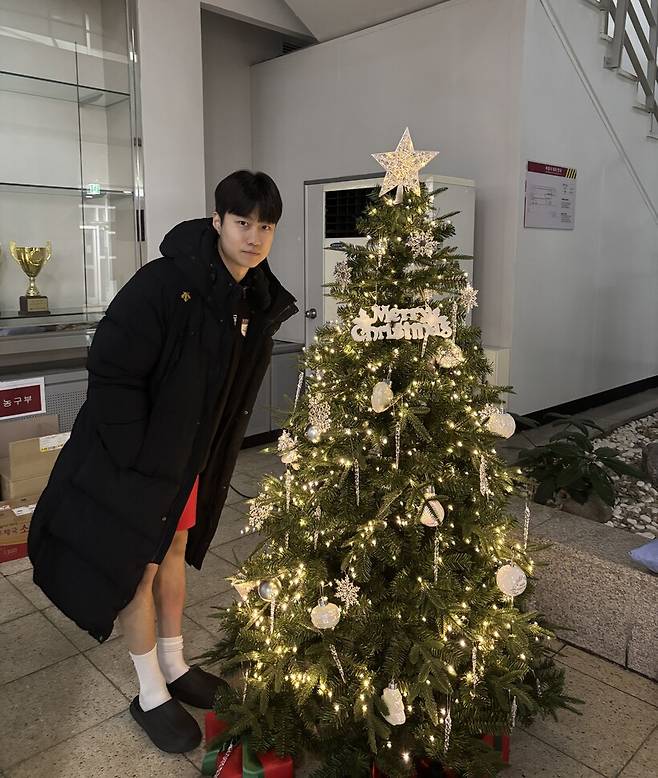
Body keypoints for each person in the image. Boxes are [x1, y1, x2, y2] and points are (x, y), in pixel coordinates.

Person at [27, 170, 297, 752]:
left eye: (266, 226)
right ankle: (150, 690)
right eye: (242, 222)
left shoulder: (253, 296)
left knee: (174, 550)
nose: (254, 237)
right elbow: (112, 369)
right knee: (137, 567)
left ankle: (174, 663)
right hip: (135, 461)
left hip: (188, 460)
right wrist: (137, 454)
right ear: (218, 221)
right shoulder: (165, 283)